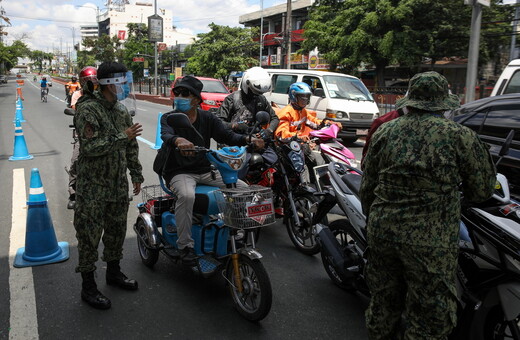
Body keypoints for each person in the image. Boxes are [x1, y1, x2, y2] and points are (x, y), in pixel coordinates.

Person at [359, 71, 496, 339]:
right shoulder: (460, 136)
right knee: (429, 318)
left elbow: (368, 188)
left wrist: (375, 219)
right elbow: (481, 191)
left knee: (383, 306)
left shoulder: (386, 131)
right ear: (443, 104)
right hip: (430, 244)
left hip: (383, 231)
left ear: (410, 101)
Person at [160, 76, 264, 265]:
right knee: (186, 196)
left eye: (185, 94)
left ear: (197, 100)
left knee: (242, 189)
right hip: (179, 171)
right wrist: (178, 141)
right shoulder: (170, 118)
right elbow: (166, 135)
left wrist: (248, 140)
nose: (180, 97)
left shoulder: (207, 117)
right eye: (177, 93)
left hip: (205, 169)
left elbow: (226, 135)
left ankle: (234, 231)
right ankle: (185, 246)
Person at [74, 61, 144, 310]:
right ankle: (88, 286)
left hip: (116, 185)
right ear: (108, 83)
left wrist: (135, 173)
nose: (125, 86)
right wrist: (122, 136)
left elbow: (131, 145)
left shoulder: (121, 110)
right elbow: (91, 148)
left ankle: (113, 273)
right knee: (89, 237)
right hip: (93, 187)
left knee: (116, 232)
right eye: (121, 82)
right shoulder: (88, 110)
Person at [217, 66, 279, 179]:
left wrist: (268, 131)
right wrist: (235, 126)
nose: (256, 95)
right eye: (254, 92)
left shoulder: (261, 99)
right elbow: (218, 123)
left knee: (276, 161)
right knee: (239, 173)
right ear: (246, 84)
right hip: (234, 144)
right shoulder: (232, 99)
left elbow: (275, 118)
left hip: (256, 142)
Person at [275, 82, 341, 176]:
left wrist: (329, 123)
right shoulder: (286, 113)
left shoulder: (303, 112)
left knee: (315, 165)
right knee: (303, 170)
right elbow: (281, 134)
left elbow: (315, 123)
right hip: (288, 147)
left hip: (301, 146)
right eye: (302, 97)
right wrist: (299, 137)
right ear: (294, 97)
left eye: (307, 97)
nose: (305, 100)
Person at [66, 66, 98, 210]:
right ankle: (73, 193)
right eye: (87, 81)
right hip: (83, 136)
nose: (91, 84)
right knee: (75, 161)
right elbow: (75, 109)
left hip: (102, 135)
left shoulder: (101, 95)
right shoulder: (78, 95)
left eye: (93, 81)